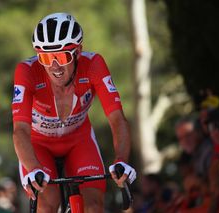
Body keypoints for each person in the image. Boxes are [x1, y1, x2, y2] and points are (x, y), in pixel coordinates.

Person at [11, 12, 136, 212]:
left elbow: (117, 119)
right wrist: (34, 168)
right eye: (45, 56)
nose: (53, 66)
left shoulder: (94, 65)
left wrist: (121, 159)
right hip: (38, 144)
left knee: (93, 206)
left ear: (78, 52)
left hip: (79, 140)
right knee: (47, 204)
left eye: (60, 56)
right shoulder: (27, 71)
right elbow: (20, 131)